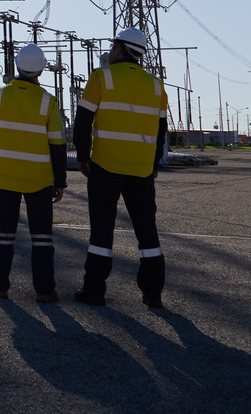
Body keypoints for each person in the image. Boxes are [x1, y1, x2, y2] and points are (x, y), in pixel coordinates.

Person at [72, 26, 169, 308]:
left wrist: (82, 155)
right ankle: (153, 293)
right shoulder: (155, 84)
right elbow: (160, 131)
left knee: (102, 230)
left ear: (120, 49)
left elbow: (83, 121)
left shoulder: (101, 77)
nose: (111, 50)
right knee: (146, 231)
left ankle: (94, 291)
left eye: (114, 46)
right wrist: (152, 165)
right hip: (140, 169)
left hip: (105, 165)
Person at [0, 42, 68, 302]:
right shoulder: (48, 102)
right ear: (41, 71)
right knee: (41, 238)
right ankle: (44, 290)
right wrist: (59, 181)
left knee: (4, 236)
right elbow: (58, 145)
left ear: (17, 66)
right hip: (39, 180)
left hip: (4, 176)